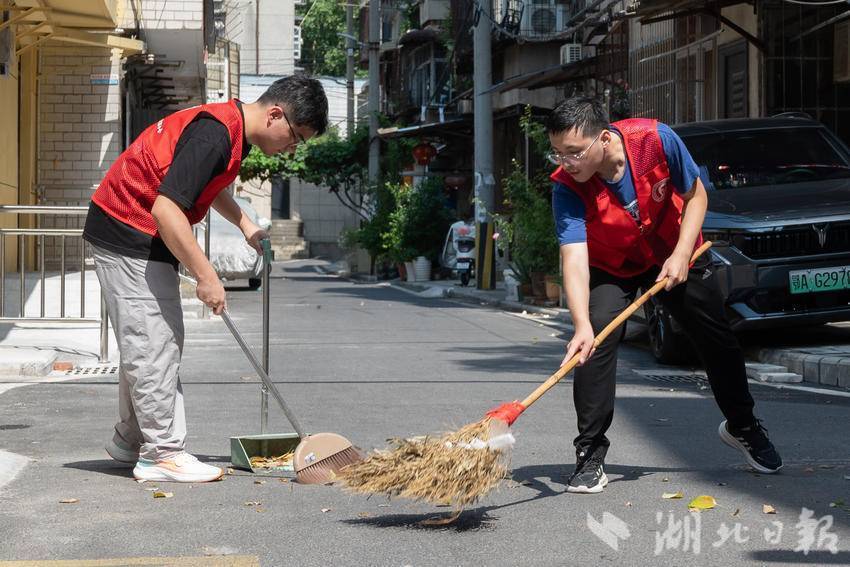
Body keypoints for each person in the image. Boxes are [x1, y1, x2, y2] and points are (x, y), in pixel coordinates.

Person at [83, 75, 328, 483]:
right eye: (296, 137)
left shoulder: (229, 129)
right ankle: (163, 454)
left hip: (132, 229)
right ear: (275, 115)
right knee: (154, 342)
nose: (292, 149)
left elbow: (202, 186)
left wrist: (246, 224)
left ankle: (130, 440)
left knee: (149, 339)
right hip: (128, 228)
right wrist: (206, 275)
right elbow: (166, 210)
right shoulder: (216, 135)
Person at [545, 96, 781, 494]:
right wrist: (581, 324)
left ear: (604, 138)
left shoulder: (655, 139)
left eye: (574, 152)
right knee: (595, 339)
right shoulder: (566, 187)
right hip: (612, 264)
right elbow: (574, 257)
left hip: (675, 249)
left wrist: (682, 253)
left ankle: (743, 426)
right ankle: (589, 452)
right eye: (558, 153)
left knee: (716, 336)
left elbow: (696, 196)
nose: (566, 163)